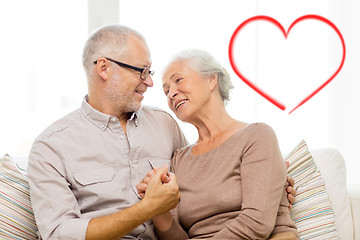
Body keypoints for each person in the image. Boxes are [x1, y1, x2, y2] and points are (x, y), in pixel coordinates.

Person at [27, 25, 296, 240]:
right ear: (104, 68)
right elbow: (59, 233)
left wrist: (271, 177)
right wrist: (147, 210)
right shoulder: (52, 146)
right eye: (141, 71)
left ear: (212, 79)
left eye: (154, 73)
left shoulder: (164, 125)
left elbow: (211, 175)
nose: (151, 83)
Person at [137, 49, 299, 239]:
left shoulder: (256, 136)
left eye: (178, 80)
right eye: (166, 91)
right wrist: (157, 210)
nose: (171, 93)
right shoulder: (180, 159)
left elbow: (256, 223)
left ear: (211, 79)